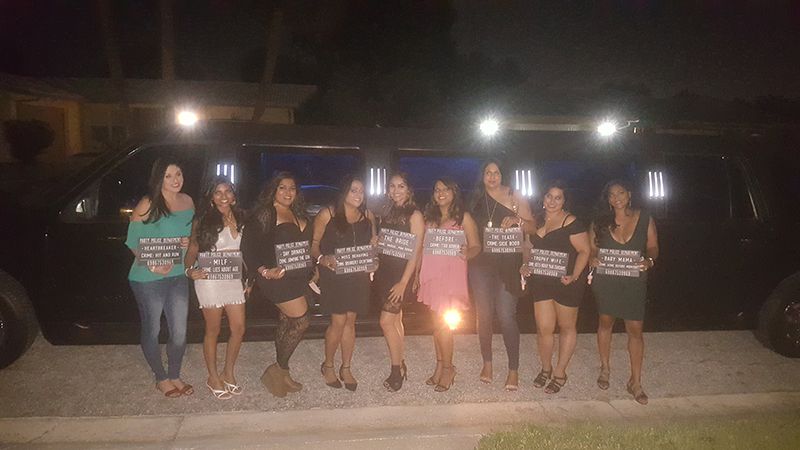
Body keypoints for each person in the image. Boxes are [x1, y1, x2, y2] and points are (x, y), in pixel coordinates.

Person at [125, 158, 194, 398]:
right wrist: (152, 264)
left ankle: (174, 374)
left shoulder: (188, 201)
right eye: (168, 175)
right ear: (159, 179)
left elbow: (188, 235)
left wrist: (186, 241)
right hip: (147, 278)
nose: (175, 180)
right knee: (152, 328)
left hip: (178, 275)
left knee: (179, 331)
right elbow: (132, 241)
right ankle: (161, 377)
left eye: (178, 174)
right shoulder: (148, 203)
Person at [241, 172, 312, 398]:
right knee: (301, 320)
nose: (288, 192)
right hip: (275, 278)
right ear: (274, 190)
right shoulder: (267, 212)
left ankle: (282, 373)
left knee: (286, 320)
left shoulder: (296, 212)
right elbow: (248, 246)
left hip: (296, 277)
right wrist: (263, 271)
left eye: (292, 188)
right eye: (282, 187)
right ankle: (277, 369)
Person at [589, 180, 659, 405]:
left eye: (620, 193)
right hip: (606, 280)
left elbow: (653, 246)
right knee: (605, 322)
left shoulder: (645, 217)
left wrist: (649, 260)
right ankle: (605, 368)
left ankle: (635, 381)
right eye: (611, 194)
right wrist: (593, 258)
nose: (616, 198)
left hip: (633, 281)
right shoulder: (600, 221)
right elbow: (592, 248)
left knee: (635, 330)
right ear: (607, 199)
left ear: (629, 194)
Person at [468, 159, 535, 390]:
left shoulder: (515, 196)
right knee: (484, 316)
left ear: (502, 175)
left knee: (507, 316)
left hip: (509, 265)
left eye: (496, 172)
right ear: (482, 175)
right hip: (481, 265)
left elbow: (533, 227)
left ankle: (513, 369)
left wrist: (518, 220)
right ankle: (487, 363)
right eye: (488, 172)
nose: (492, 177)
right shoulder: (475, 199)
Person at [520, 181, 590, 394]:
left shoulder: (572, 222)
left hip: (566, 282)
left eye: (558, 197)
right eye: (549, 196)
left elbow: (585, 251)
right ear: (543, 198)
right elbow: (528, 246)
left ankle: (560, 372)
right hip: (541, 281)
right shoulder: (536, 220)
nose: (552, 201)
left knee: (566, 327)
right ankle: (545, 368)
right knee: (544, 328)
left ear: (564, 201)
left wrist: (575, 275)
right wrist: (525, 264)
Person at [312, 175, 377, 392]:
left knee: (351, 321)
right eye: (353, 190)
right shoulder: (327, 214)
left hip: (358, 276)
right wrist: (322, 259)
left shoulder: (368, 215)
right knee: (338, 321)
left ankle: (346, 367)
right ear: (344, 192)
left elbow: (372, 247)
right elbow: (313, 245)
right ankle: (328, 365)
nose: (359, 195)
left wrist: (374, 260)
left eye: (361, 191)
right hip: (334, 275)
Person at [184, 177, 247, 400]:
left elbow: (246, 252)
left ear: (234, 195)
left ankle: (228, 373)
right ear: (211, 197)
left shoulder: (241, 217)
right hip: (209, 280)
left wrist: (248, 279)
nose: (223, 196)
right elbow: (192, 249)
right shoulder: (202, 220)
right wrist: (189, 270)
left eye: (227, 191)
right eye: (218, 192)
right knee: (213, 330)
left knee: (239, 328)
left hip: (232, 279)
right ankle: (212, 377)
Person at [417, 177, 481, 392]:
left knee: (444, 326)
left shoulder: (464, 217)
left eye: (446, 189)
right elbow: (421, 247)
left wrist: (467, 252)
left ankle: (448, 368)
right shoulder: (429, 218)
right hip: (432, 276)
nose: (441, 193)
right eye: (437, 189)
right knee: (436, 325)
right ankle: (439, 366)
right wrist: (417, 274)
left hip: (451, 278)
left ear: (454, 192)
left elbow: (476, 246)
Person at [374, 172, 425, 391]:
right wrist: (376, 242)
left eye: (401, 186)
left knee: (385, 322)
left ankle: (396, 371)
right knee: (395, 321)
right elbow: (385, 244)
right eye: (392, 186)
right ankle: (401, 362)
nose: (396, 190)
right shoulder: (386, 212)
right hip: (385, 273)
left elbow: (415, 252)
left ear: (409, 190)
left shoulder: (415, 215)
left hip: (401, 275)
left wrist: (404, 282)